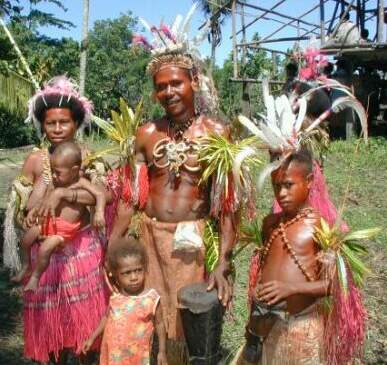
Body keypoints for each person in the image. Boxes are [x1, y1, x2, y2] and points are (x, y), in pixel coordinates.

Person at [107, 5, 237, 363]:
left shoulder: (216, 133)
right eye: (160, 87)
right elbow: (131, 199)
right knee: (153, 318)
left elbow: (228, 204)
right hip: (150, 239)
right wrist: (113, 244)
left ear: (193, 81)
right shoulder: (147, 134)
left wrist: (223, 259)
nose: (169, 92)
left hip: (192, 243)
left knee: (188, 322)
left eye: (176, 82)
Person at [3, 76, 108, 364]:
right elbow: (22, 206)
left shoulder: (86, 157)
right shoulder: (35, 160)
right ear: (42, 125)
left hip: (80, 251)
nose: (58, 128)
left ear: (77, 123)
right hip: (44, 252)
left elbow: (102, 197)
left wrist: (64, 195)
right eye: (51, 123)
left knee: (85, 326)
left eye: (65, 122)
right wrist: (31, 209)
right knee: (51, 327)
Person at [241, 150, 328, 365]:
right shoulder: (270, 223)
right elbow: (264, 268)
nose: (281, 193)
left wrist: (291, 289)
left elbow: (333, 285)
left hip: (302, 326)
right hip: (268, 325)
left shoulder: (321, 226)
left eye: (288, 185)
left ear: (308, 181)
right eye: (276, 186)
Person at [11, 142, 106, 291]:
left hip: (64, 230)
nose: (54, 175)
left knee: (45, 249)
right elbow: (44, 201)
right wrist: (34, 212)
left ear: (74, 170)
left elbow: (100, 194)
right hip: (48, 222)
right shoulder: (55, 182)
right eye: (52, 171)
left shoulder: (81, 182)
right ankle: (26, 266)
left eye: (58, 172)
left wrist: (99, 212)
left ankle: (35, 277)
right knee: (25, 241)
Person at [82, 237, 168, 365]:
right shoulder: (115, 298)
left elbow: (160, 324)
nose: (134, 277)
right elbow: (106, 318)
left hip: (137, 355)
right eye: (127, 273)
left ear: (145, 269)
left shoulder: (151, 298)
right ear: (116, 275)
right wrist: (92, 338)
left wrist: (162, 351)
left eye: (138, 270)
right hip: (113, 354)